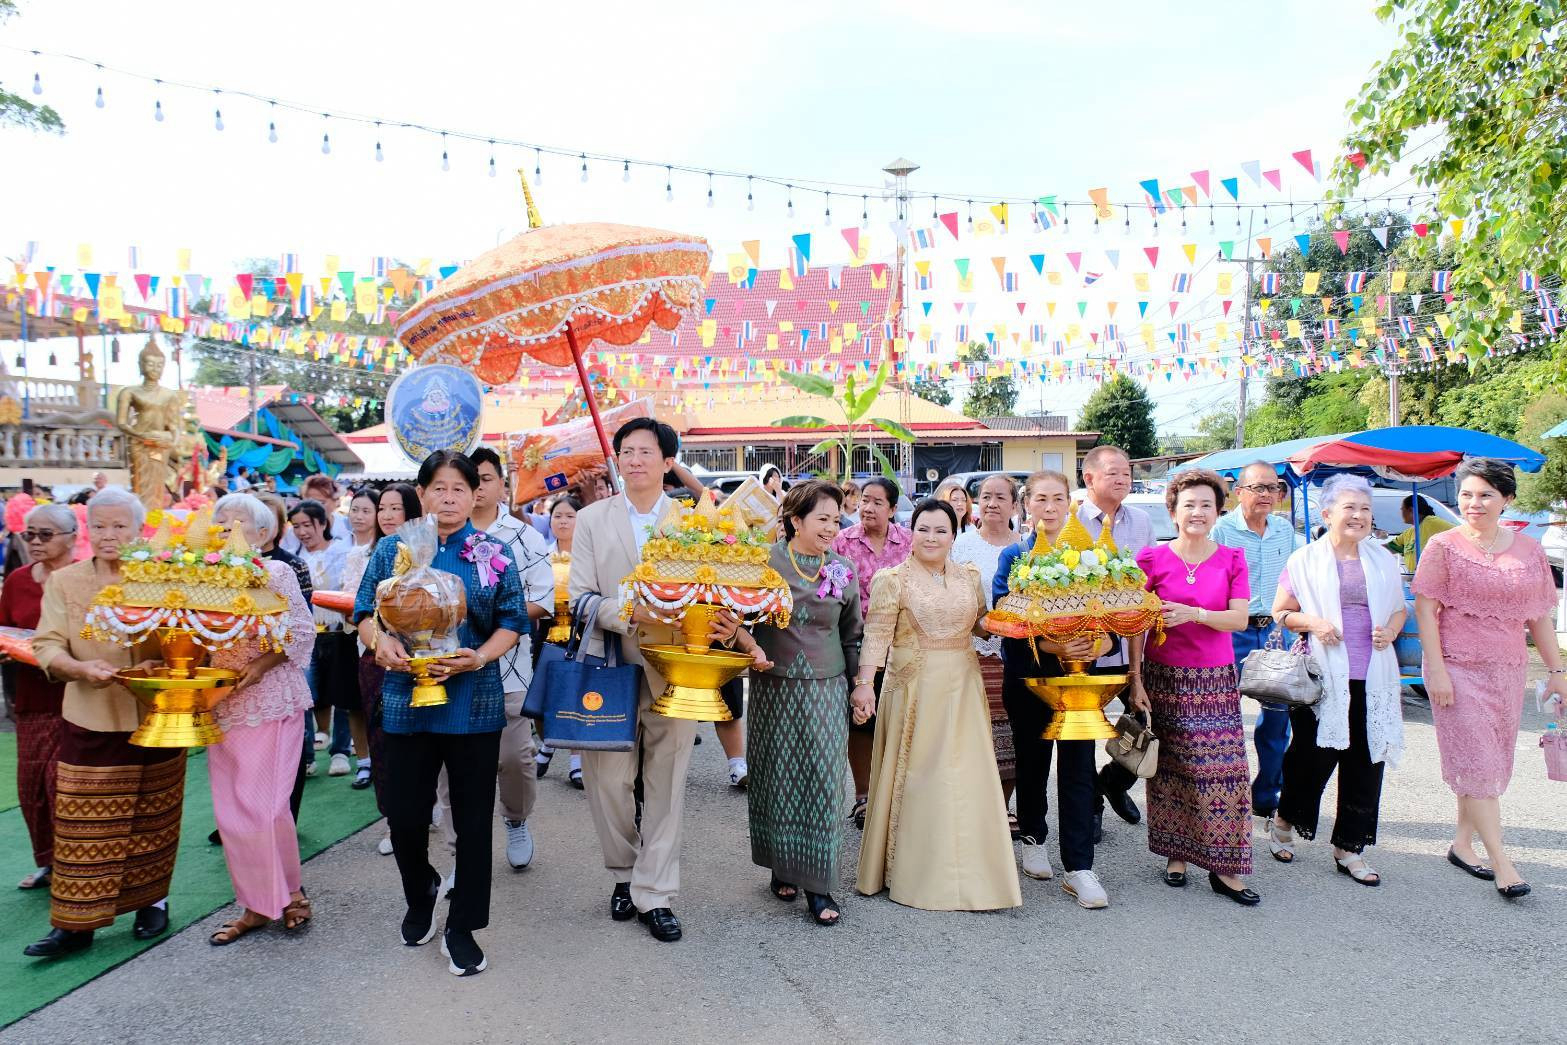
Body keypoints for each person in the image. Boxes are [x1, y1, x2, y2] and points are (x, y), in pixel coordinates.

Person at [568, 417, 740, 943]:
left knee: (667, 781)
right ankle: (624, 871)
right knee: (609, 782)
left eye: (646, 451)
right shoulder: (593, 520)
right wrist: (629, 614)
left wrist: (726, 625)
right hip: (611, 665)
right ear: (617, 460)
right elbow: (579, 598)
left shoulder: (695, 519)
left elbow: (718, 589)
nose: (635, 459)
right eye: (627, 450)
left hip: (679, 669)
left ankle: (654, 892)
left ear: (669, 462)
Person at [354, 451, 526, 977]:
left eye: (459, 488)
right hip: (406, 700)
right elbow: (364, 612)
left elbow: (513, 620)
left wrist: (481, 654)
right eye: (438, 488)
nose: (448, 498)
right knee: (405, 816)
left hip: (473, 702)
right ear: (422, 494)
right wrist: (379, 642)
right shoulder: (393, 550)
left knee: (474, 821)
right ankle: (421, 888)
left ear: (476, 495)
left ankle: (463, 925)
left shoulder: (492, 553)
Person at [23, 488, 181, 957]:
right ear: (88, 530)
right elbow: (45, 644)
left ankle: (154, 902)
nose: (110, 536)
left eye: (120, 527)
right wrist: (80, 669)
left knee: (154, 813)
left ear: (138, 530)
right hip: (89, 715)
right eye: (101, 527)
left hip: (156, 713)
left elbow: (189, 637)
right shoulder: (66, 581)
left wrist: (166, 664)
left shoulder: (164, 575)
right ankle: (75, 925)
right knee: (80, 823)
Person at [855, 498, 1021, 912]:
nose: (931, 537)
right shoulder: (891, 579)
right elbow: (876, 637)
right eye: (924, 529)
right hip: (914, 685)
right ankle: (914, 870)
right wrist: (864, 685)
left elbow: (982, 622)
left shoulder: (969, 576)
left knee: (965, 775)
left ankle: (973, 869)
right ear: (912, 532)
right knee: (922, 775)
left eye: (941, 530)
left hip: (963, 683)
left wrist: (1020, 615)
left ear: (954, 534)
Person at [1412, 457, 1563, 899]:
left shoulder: (1528, 550)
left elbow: (1538, 617)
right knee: (1477, 762)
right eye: (1466, 495)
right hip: (1455, 667)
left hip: (1508, 670)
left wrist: (1557, 672)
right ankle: (1502, 861)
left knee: (1489, 763)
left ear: (1507, 499)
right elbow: (1426, 610)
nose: (1473, 503)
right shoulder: (1443, 546)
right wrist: (1435, 669)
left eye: (1485, 495)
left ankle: (1463, 844)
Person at [730, 480, 860, 926]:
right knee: (778, 775)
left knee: (824, 779)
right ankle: (782, 866)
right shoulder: (764, 564)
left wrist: (861, 685)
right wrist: (751, 646)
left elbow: (852, 634)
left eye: (836, 519)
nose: (831, 527)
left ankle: (819, 886)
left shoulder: (843, 568)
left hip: (826, 685)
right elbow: (734, 618)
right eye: (822, 518)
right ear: (795, 520)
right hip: (773, 685)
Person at [1128, 469, 1258, 906]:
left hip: (1215, 680)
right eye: (1189, 505)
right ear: (1173, 512)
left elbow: (1238, 619)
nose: (1197, 512)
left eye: (1206, 504)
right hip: (1164, 676)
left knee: (1226, 773)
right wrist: (1136, 678)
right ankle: (1175, 854)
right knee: (1171, 769)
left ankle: (1225, 868)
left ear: (1218, 510)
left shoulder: (1232, 558)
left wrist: (1195, 614)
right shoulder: (1152, 558)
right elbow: (1135, 624)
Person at [1268, 475, 1406, 886]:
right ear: (1327, 514)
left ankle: (1350, 846)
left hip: (1374, 673)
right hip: (1323, 676)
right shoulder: (1304, 560)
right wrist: (1313, 621)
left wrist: (1392, 630)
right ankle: (1284, 820)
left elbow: (1398, 609)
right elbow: (1281, 612)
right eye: (1350, 508)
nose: (1359, 516)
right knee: (1311, 759)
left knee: (1366, 762)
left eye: (1365, 509)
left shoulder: (1382, 558)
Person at [992, 470, 1110, 905]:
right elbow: (1003, 617)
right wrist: (1050, 642)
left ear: (1069, 503)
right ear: (1027, 504)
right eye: (1040, 498)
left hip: (1080, 681)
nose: (1049, 506)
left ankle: (1080, 866)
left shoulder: (1093, 556)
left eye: (1057, 498)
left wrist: (1096, 641)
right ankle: (1033, 837)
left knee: (1079, 769)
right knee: (1032, 760)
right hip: (1028, 675)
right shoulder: (1014, 556)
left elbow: (1112, 618)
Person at [205, 494, 318, 944]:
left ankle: (291, 895)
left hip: (272, 699)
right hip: (224, 703)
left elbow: (301, 629)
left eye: (240, 523)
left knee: (268, 810)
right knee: (232, 813)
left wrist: (261, 665)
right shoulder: (201, 579)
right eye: (222, 522)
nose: (229, 529)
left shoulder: (276, 572)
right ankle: (255, 905)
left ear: (262, 534)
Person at [434, 446, 553, 873]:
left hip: (509, 668)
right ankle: (456, 855)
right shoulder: (435, 538)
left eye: (483, 479)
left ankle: (516, 818)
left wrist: (497, 619)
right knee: (450, 768)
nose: (476, 489)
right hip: (446, 670)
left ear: (501, 484)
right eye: (468, 482)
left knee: (513, 758)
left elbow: (543, 599)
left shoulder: (524, 536)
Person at [1213, 461, 1301, 827]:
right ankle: (1222, 794)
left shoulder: (1285, 531)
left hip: (1278, 631)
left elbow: (1300, 577)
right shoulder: (1222, 530)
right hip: (1232, 631)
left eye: (1273, 488)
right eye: (1258, 488)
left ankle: (1265, 795)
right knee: (1222, 718)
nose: (1267, 495)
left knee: (1278, 720)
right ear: (1239, 492)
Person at [1078, 445, 1155, 833]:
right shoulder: (1072, 521)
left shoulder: (1141, 521)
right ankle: (1089, 802)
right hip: (1085, 646)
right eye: (1113, 472)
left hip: (1132, 644)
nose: (1123, 478)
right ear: (1089, 478)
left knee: (1145, 721)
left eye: (1126, 471)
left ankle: (1113, 780)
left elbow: (1148, 585)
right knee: (1085, 730)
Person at [831, 476, 912, 829]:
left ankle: (896, 797)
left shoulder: (909, 542)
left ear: (893, 509)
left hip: (902, 648)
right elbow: (829, 589)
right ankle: (863, 796)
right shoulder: (842, 542)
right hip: (855, 645)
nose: (868, 507)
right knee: (860, 721)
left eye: (878, 502)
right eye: (865, 500)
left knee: (898, 720)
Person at [2, 505, 73, 890]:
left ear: (71, 537)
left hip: (74, 694)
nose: (35, 543)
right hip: (30, 697)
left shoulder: (83, 579)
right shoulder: (17, 580)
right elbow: (5, 625)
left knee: (59, 784)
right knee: (30, 788)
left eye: (46, 535)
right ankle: (46, 861)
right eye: (30, 534)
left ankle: (71, 862)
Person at [356, 483, 423, 855]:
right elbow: (363, 607)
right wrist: (378, 642)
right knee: (385, 743)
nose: (386, 515)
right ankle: (393, 821)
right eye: (382, 508)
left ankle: (427, 810)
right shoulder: (384, 550)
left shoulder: (432, 545)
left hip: (430, 658)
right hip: (383, 661)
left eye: (396, 508)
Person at [950, 474, 1018, 825]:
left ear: (1014, 505)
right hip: (973, 650)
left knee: (1011, 735)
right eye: (985, 496)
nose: (991, 503)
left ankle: (1001, 809)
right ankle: (971, 811)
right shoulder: (961, 545)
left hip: (1017, 655)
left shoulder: (1026, 548)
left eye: (1000, 497)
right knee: (974, 734)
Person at [290, 499, 356, 777]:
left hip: (338, 632)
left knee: (341, 694)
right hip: (307, 637)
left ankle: (340, 751)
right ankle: (306, 756)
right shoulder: (294, 559)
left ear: (322, 524)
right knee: (305, 695)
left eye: (307, 525)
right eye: (296, 526)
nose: (303, 531)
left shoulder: (342, 552)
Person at [534, 494, 584, 787]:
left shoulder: (589, 554)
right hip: (548, 629)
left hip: (582, 630)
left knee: (576, 691)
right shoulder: (541, 553)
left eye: (569, 516)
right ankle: (548, 744)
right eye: (557, 516)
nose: (563, 521)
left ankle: (576, 759)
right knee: (547, 692)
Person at [342, 486, 383, 791]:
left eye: (366, 510)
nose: (358, 516)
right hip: (361, 636)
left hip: (397, 639)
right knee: (360, 702)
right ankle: (366, 762)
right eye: (354, 510)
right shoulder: (356, 554)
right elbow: (351, 599)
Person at [280, 474, 350, 553]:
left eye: (321, 502)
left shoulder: (348, 527)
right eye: (309, 502)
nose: (314, 508)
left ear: (335, 500)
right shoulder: (293, 532)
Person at [1386, 494, 1454, 573]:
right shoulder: (1409, 532)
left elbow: (1461, 535)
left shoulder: (1433, 523)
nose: (1401, 513)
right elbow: (1390, 547)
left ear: (1411, 510)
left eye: (1402, 509)